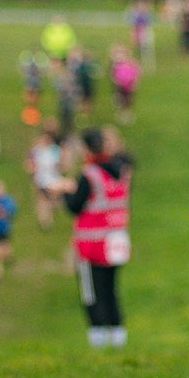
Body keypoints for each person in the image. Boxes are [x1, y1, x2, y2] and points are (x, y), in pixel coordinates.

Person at [62, 127, 132, 348]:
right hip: (116, 239)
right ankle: (118, 334)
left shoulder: (89, 174)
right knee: (111, 289)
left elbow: (75, 206)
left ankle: (99, 337)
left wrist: (65, 191)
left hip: (92, 243)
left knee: (92, 291)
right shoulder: (119, 170)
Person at [26, 125, 63, 230]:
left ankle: (48, 216)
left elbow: (59, 163)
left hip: (53, 178)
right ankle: (45, 221)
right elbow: (30, 163)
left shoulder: (55, 150)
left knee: (52, 199)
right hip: (41, 178)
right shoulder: (36, 150)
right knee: (43, 199)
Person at [109, 45, 141, 123]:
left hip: (129, 85)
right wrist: (115, 81)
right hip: (120, 86)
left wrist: (135, 83)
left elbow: (137, 73)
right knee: (121, 100)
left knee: (129, 100)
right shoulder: (116, 65)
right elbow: (113, 75)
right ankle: (121, 113)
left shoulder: (131, 63)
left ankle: (127, 114)